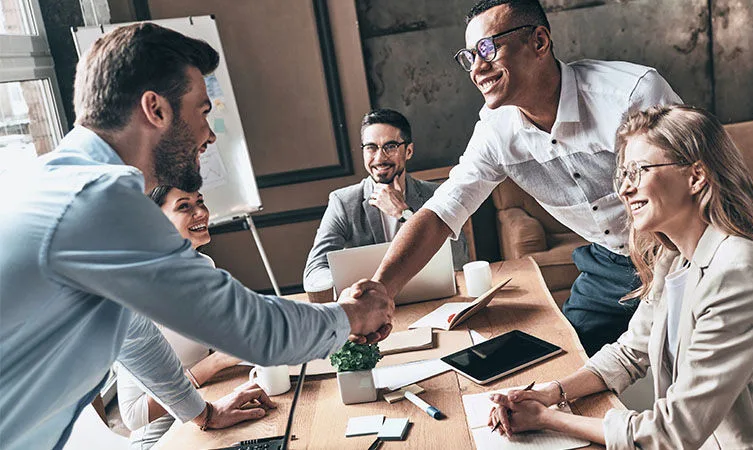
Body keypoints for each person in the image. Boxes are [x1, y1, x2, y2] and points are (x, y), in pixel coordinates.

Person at [0, 23, 391, 450]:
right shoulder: (99, 201)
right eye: (203, 111)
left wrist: (201, 412)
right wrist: (351, 316)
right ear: (156, 109)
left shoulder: (55, 182)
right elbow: (253, 329)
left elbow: (135, 336)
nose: (209, 134)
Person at [368, 0, 682, 354]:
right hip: (609, 263)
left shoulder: (631, 94)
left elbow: (691, 188)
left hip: (680, 249)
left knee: (682, 361)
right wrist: (381, 290)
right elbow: (442, 212)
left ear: (539, 42)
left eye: (488, 48)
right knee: (565, 362)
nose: (477, 68)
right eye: (469, 56)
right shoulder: (495, 131)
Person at [487, 105, 753, 449]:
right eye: (623, 174)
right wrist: (551, 392)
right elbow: (628, 352)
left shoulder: (739, 273)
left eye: (638, 171)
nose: (624, 190)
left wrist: (548, 419)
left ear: (696, 176)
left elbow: (672, 431)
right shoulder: (675, 256)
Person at [116, 186, 255, 449]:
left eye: (200, 202)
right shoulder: (137, 289)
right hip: (160, 435)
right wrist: (215, 364)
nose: (201, 212)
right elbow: (134, 415)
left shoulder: (204, 266)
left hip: (207, 405)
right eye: (184, 207)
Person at [303, 108, 470, 297]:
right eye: (371, 147)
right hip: (368, 305)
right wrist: (349, 290)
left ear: (408, 151)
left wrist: (404, 214)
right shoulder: (343, 202)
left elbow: (459, 260)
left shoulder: (436, 194)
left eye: (390, 147)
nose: (380, 158)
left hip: (431, 300)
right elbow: (315, 269)